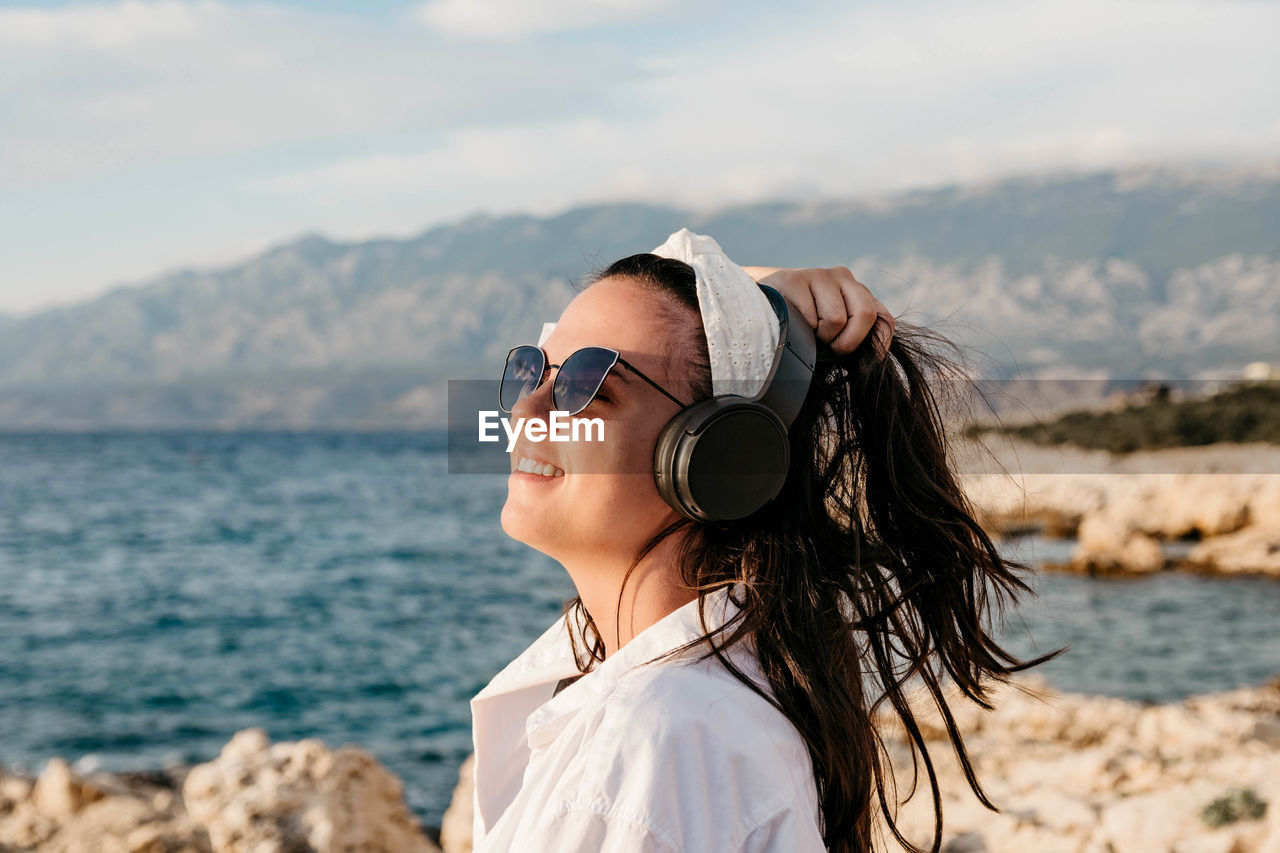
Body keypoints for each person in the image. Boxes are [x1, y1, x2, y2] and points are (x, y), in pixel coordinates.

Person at [470, 229, 1055, 852]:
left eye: (587, 386)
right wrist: (758, 295)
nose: (527, 411)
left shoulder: (646, 744)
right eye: (535, 368)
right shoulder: (722, 685)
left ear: (716, 454)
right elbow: (644, 318)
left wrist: (750, 305)